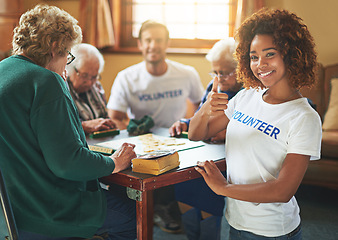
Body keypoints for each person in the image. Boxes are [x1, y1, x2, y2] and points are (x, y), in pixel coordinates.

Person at [0, 4, 136, 240]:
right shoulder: (46, 81)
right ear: (55, 48)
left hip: (9, 210)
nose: (67, 64)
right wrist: (113, 162)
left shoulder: (3, 70)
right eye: (68, 55)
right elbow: (67, 163)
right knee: (133, 216)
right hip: (45, 210)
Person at [189, 8, 322, 239]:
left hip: (273, 231)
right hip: (236, 221)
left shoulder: (304, 117)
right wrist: (205, 108)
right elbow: (197, 133)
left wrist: (223, 188)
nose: (260, 64)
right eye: (253, 56)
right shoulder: (247, 95)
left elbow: (283, 190)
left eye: (270, 54)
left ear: (291, 55)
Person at [106, 20, 205, 233]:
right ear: (140, 44)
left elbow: (201, 107)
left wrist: (188, 127)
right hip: (142, 143)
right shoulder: (127, 77)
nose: (153, 45)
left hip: (177, 142)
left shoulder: (187, 73)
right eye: (148, 40)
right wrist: (137, 135)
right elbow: (115, 117)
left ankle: (168, 208)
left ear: (167, 43)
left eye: (158, 40)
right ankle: (145, 211)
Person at [169, 38, 242, 142]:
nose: (219, 79)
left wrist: (229, 133)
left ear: (239, 69)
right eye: (215, 73)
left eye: (224, 73)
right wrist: (185, 124)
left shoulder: (247, 92)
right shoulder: (213, 87)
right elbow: (200, 117)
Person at [65, 43, 116, 134]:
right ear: (71, 69)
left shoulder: (96, 87)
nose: (89, 82)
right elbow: (60, 127)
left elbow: (105, 116)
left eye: (94, 77)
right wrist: (84, 126)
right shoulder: (62, 90)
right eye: (84, 76)